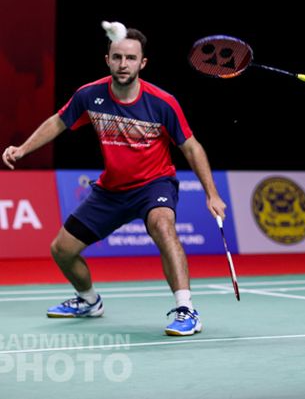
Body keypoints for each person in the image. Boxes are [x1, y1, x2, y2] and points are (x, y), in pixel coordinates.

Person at [2, 23, 226, 337]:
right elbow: (58, 121)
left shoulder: (162, 102)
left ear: (142, 63)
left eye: (130, 58)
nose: (123, 64)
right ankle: (89, 301)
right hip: (111, 191)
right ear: (107, 59)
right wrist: (23, 149)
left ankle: (186, 309)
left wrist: (211, 194)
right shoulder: (89, 95)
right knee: (61, 250)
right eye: (117, 57)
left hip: (154, 185)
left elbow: (191, 147)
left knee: (163, 226)